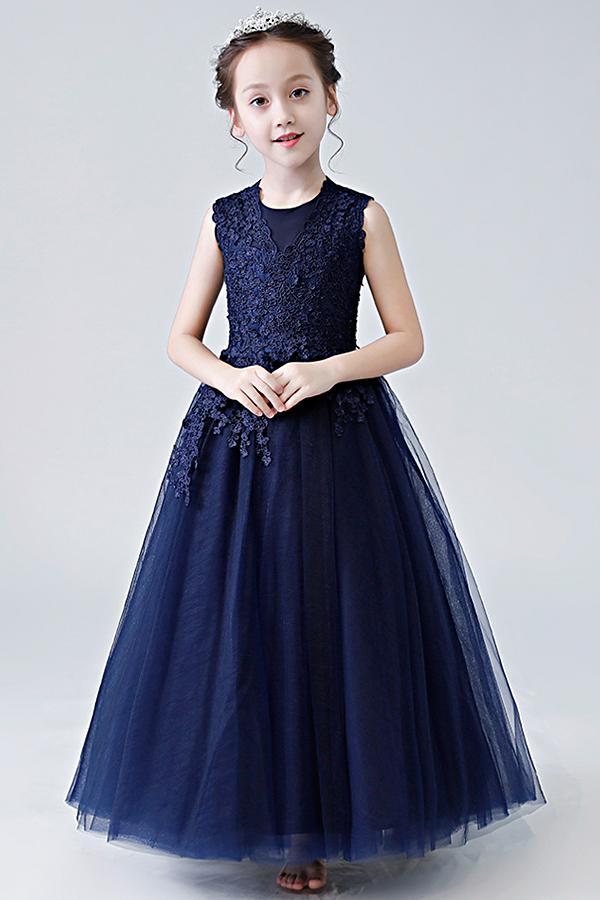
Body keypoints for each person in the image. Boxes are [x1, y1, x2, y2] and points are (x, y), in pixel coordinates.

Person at [65, 6, 547, 893]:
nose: (280, 112)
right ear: (235, 120)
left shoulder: (361, 217)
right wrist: (226, 377)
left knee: (335, 618)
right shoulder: (223, 220)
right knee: (240, 621)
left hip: (340, 447)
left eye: (298, 91)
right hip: (238, 452)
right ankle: (273, 818)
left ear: (330, 100)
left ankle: (327, 818)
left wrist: (327, 369)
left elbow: (407, 339)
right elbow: (180, 338)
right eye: (258, 99)